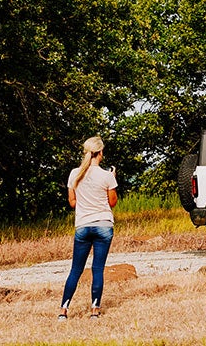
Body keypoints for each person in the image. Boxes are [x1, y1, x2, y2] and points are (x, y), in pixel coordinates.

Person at [58, 136, 118, 320]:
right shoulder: (107, 175)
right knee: (97, 269)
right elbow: (112, 202)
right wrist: (113, 179)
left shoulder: (74, 174)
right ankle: (94, 310)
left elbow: (72, 202)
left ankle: (63, 310)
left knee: (75, 269)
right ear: (100, 153)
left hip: (83, 225)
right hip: (103, 225)